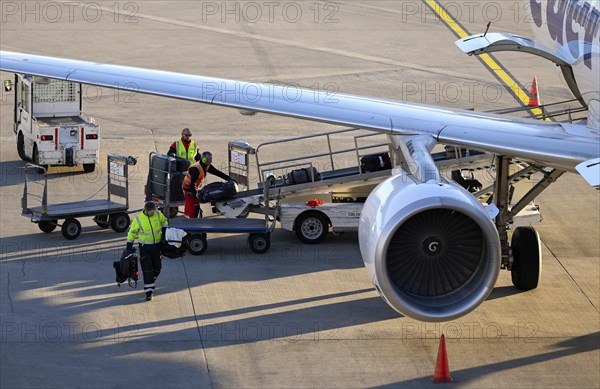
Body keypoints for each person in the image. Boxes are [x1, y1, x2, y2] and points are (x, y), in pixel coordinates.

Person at [126, 202, 168, 301]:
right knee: (148, 269)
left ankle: (150, 281)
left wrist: (164, 233)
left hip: (157, 247)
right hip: (145, 248)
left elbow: (164, 222)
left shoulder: (158, 214)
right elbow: (131, 233)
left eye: (154, 211)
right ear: (146, 210)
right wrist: (129, 247)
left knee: (157, 267)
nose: (153, 213)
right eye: (151, 212)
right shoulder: (138, 219)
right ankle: (149, 292)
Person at [182, 151, 232, 218]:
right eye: (208, 160)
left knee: (189, 205)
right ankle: (192, 223)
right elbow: (192, 184)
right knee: (194, 206)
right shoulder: (196, 168)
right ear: (204, 160)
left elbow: (217, 172)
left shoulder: (206, 166)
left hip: (191, 188)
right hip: (189, 188)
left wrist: (228, 178)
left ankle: (187, 220)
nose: (209, 163)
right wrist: (195, 195)